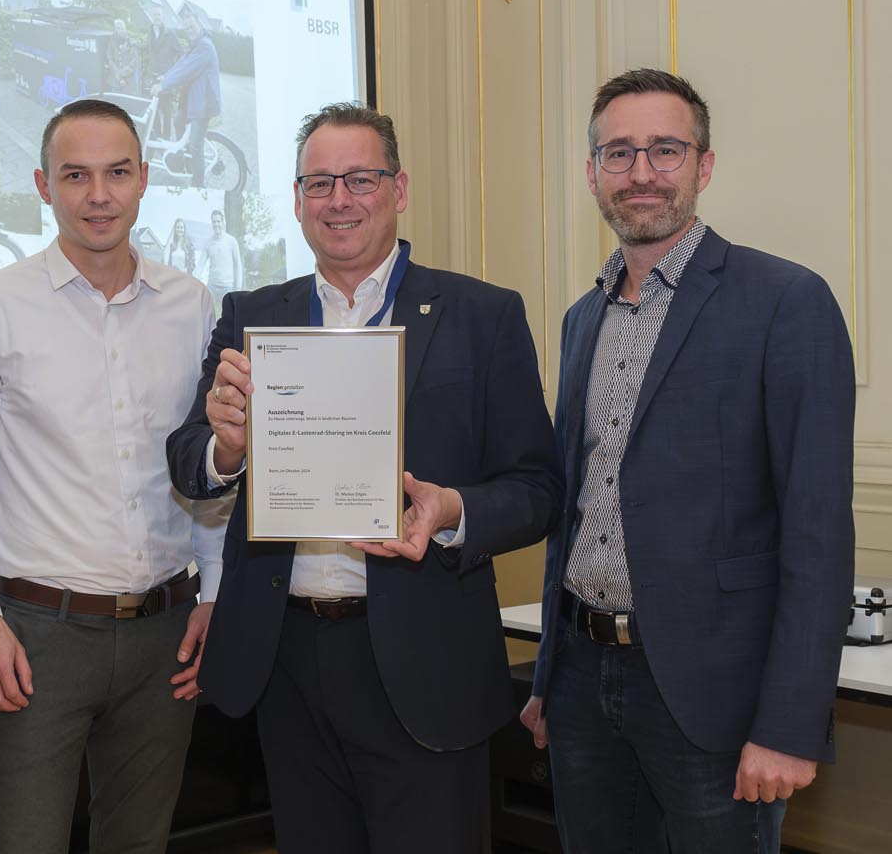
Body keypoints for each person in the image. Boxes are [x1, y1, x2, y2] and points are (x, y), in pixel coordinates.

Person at [167, 102, 560, 853]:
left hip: (425, 662)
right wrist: (228, 447)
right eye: (319, 183)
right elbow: (191, 458)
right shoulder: (252, 313)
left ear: (400, 188)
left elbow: (537, 488)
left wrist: (450, 510)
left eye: (360, 179)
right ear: (295, 199)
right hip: (287, 661)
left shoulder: (482, 314)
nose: (338, 200)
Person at [520, 68, 855, 853]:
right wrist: (546, 682)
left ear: (704, 166)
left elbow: (816, 534)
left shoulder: (785, 302)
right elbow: (575, 509)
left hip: (713, 697)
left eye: (665, 150)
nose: (641, 173)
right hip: (581, 684)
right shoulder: (581, 319)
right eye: (618, 153)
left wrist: (790, 724)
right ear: (592, 173)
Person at [0, 98, 224, 854]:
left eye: (116, 173)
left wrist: (217, 592)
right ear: (43, 185)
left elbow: (211, 461)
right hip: (37, 636)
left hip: (167, 631)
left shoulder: (193, 306)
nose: (97, 195)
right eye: (75, 175)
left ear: (143, 180)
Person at [154, 7, 221, 188]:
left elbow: (187, 70)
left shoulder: (205, 46)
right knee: (178, 121)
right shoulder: (195, 44)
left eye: (192, 26)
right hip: (192, 98)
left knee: (195, 145)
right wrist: (165, 77)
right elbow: (182, 63)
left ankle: (198, 184)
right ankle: (183, 162)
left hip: (203, 102)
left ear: (199, 24)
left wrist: (163, 86)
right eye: (187, 28)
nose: (189, 30)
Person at [143, 3, 181, 138]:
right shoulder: (150, 32)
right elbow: (148, 48)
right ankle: (157, 136)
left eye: (158, 14)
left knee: (166, 110)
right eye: (154, 15)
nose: (156, 17)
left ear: (163, 17)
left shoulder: (170, 34)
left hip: (165, 78)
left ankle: (166, 138)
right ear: (151, 17)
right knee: (152, 108)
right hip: (151, 76)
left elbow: (180, 53)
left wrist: (170, 73)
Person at [198, 208, 242, 306]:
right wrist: (194, 279)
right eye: (214, 221)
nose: (216, 224)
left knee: (228, 315)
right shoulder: (208, 242)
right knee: (206, 311)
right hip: (212, 285)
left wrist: (238, 287)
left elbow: (237, 265)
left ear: (223, 222)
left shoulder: (231, 241)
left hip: (227, 286)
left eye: (218, 221)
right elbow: (200, 264)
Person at [106, 18, 139, 93]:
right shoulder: (111, 42)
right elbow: (109, 58)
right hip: (114, 79)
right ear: (115, 29)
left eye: (122, 28)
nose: (120, 30)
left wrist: (122, 74)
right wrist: (117, 73)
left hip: (128, 80)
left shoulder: (131, 42)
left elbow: (134, 61)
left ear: (125, 29)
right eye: (118, 28)